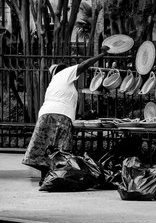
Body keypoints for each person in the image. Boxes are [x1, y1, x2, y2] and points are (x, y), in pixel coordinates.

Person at [22, 45, 110, 186]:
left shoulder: (56, 83)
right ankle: (54, 178)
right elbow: (84, 65)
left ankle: (47, 178)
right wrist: (102, 55)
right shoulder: (64, 74)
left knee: (47, 150)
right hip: (59, 117)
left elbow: (65, 103)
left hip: (47, 115)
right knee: (61, 151)